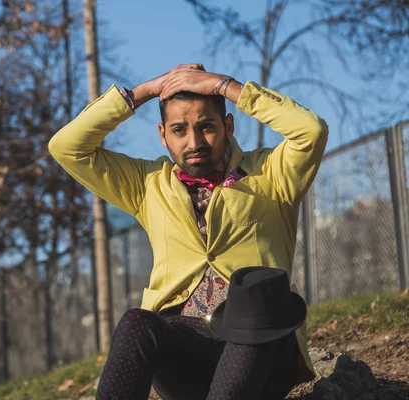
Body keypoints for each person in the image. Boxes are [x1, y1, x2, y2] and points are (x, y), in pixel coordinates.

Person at [48, 64, 328, 399]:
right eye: (179, 130)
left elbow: (310, 130)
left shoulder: (271, 174)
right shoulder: (147, 185)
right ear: (163, 135)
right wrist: (149, 89)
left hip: (263, 349)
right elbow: (66, 147)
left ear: (228, 126)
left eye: (206, 127)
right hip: (187, 355)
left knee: (253, 306)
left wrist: (224, 86)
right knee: (137, 323)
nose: (194, 142)